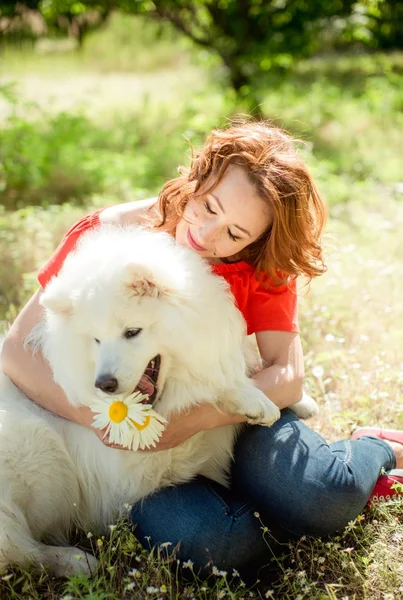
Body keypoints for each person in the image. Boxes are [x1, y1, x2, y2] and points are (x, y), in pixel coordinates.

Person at [2, 120, 403, 576]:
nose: (208, 236)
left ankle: (374, 449)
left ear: (255, 239)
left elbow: (287, 378)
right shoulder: (111, 234)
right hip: (137, 451)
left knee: (323, 495)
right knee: (215, 546)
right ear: (199, 176)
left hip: (228, 410)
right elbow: (15, 351)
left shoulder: (260, 260)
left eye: (235, 234)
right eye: (208, 206)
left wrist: (192, 420)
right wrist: (104, 425)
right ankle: (277, 513)